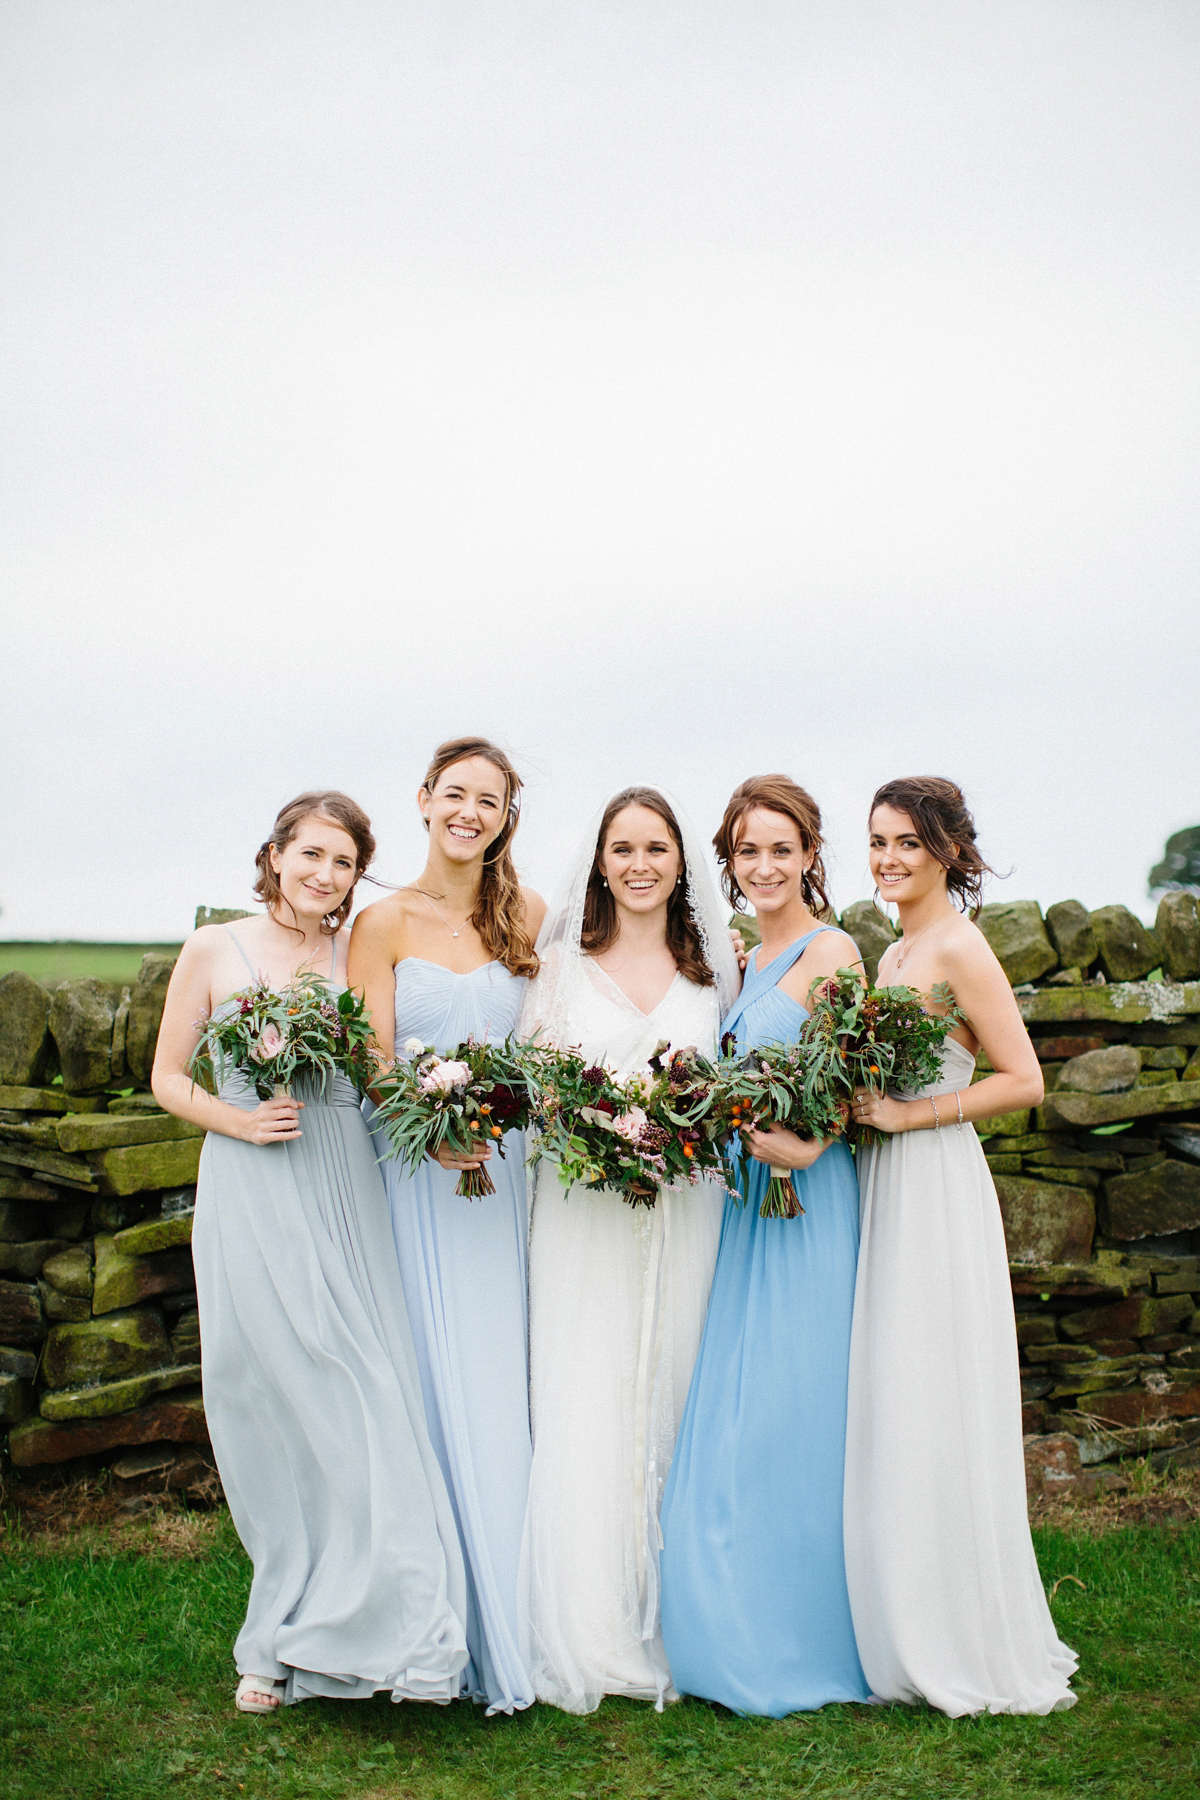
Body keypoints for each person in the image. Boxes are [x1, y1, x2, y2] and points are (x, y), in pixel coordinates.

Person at [153, 791, 468, 1714]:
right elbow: (169, 1076)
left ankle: (396, 1624)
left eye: (343, 862)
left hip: (344, 1177)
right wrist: (239, 1120)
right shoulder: (217, 948)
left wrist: (437, 1121)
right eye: (312, 856)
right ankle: (275, 1638)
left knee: (366, 1389)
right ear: (276, 854)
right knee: (271, 1402)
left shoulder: (356, 951)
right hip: (252, 1183)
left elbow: (377, 1075)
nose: (325, 876)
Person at [845, 776, 1077, 1715]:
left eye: (907, 842)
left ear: (947, 850)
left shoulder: (959, 946)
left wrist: (913, 1115)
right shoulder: (893, 950)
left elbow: (1024, 1080)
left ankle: (962, 1637)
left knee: (935, 1389)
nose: (890, 859)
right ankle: (903, 1618)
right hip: (885, 1183)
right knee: (897, 1394)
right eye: (878, 843)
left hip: (937, 1180)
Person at [518, 786, 739, 1714]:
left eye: (657, 847)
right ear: (600, 863)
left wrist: (677, 1134)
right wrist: (595, 1133)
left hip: (688, 1210)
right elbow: (532, 1088)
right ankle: (590, 1618)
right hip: (586, 1212)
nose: (640, 864)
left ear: (682, 862)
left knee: (679, 1388)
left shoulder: (713, 971)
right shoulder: (561, 967)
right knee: (591, 1391)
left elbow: (734, 1087)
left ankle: (679, 1614)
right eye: (623, 849)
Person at [659, 775, 870, 1715]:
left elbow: (856, 1084)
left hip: (805, 1199)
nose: (765, 866)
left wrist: (811, 1144)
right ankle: (726, 1617)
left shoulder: (834, 954)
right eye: (748, 851)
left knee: (793, 1407)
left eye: (782, 849)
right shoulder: (744, 955)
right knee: (739, 1398)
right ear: (730, 862)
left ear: (810, 856)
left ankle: (800, 1633)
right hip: (746, 1200)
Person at [348, 737, 545, 1716]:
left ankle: (514, 1615)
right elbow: (372, 1061)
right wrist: (426, 1133)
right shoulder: (380, 921)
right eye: (455, 793)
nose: (470, 811)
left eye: (490, 799)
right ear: (424, 800)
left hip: (500, 1181)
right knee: (423, 1379)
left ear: (508, 816)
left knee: (498, 1376)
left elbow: (543, 1049)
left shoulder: (529, 917)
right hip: (414, 1175)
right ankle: (427, 1629)